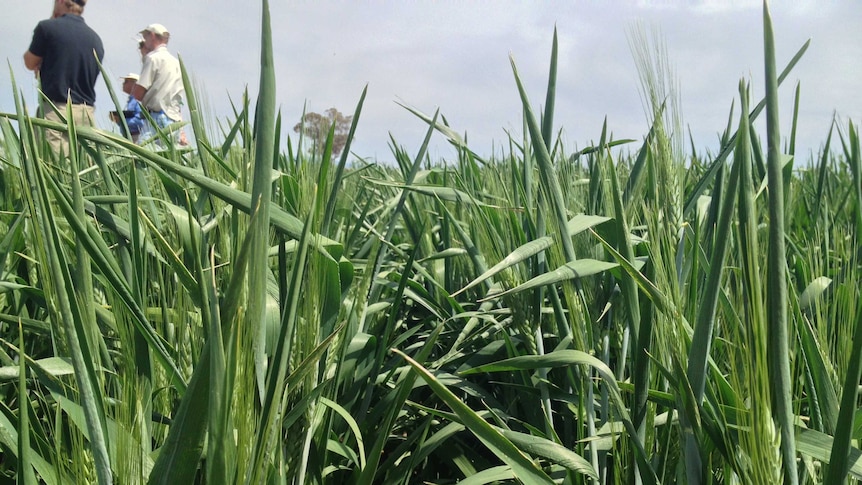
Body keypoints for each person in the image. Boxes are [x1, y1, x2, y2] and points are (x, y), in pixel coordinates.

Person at [23, 0, 105, 157]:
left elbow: (29, 62)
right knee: (84, 175)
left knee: (53, 170)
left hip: (55, 112)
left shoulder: (47, 28)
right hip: (86, 115)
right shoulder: (96, 39)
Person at [133, 23, 186, 146]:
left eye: (145, 37)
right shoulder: (176, 62)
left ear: (152, 36)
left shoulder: (152, 58)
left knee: (143, 157)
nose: (144, 42)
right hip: (174, 119)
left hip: (156, 118)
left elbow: (139, 93)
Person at [109, 73, 144, 143]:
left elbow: (141, 121)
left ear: (134, 84)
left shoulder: (137, 100)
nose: (123, 84)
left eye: (126, 82)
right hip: (131, 136)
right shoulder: (132, 100)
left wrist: (121, 121)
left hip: (136, 137)